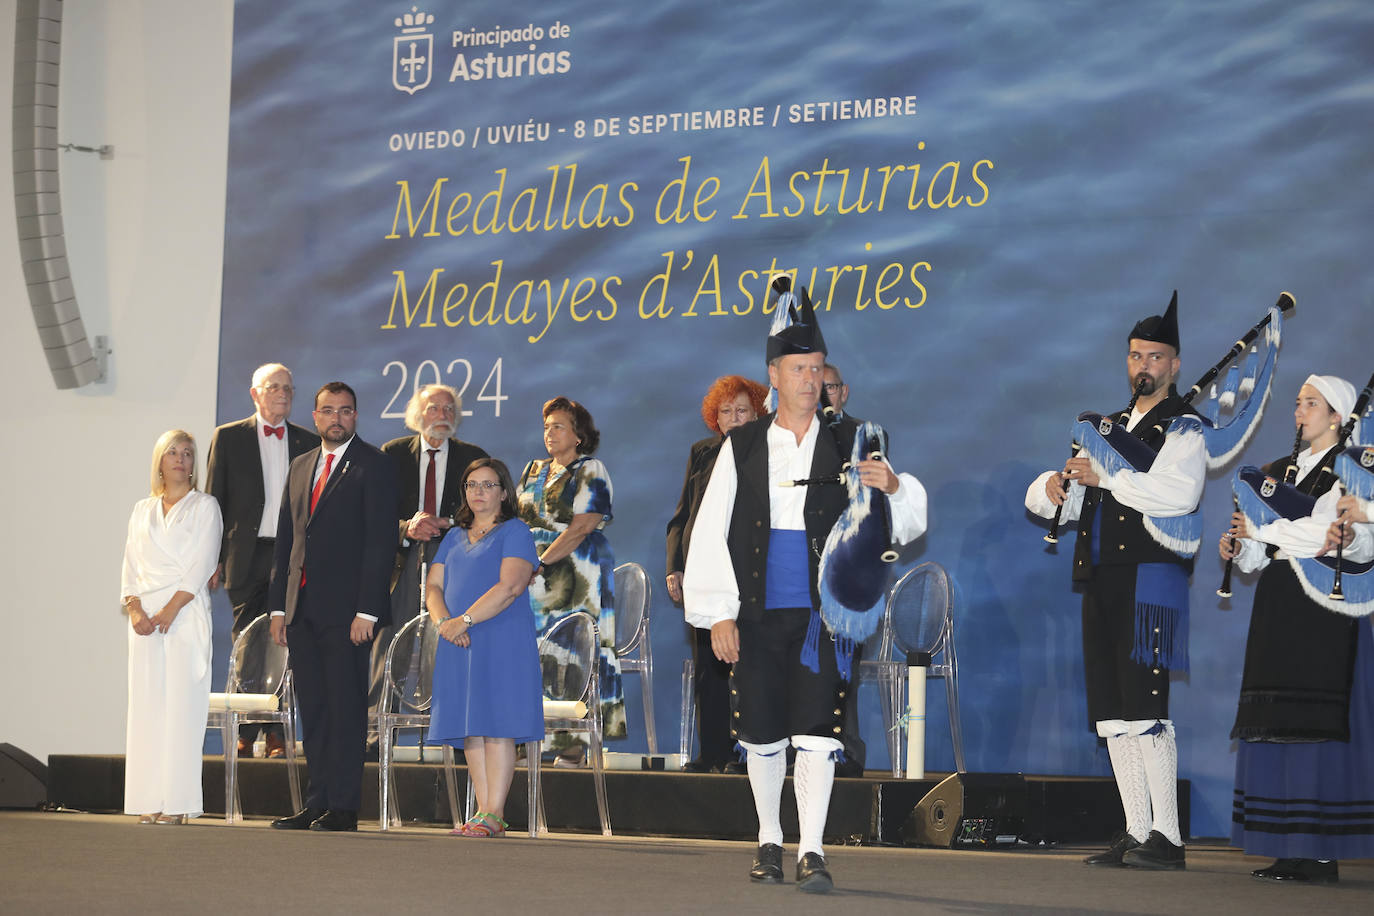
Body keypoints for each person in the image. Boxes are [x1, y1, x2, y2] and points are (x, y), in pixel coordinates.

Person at [684, 279, 928, 893]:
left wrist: (895, 489)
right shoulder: (739, 446)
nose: (809, 379)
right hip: (757, 610)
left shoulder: (853, 440)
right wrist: (718, 614)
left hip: (825, 618)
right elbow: (708, 532)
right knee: (762, 733)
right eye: (798, 368)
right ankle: (770, 840)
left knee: (817, 732)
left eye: (817, 369)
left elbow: (905, 514)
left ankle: (811, 850)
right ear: (773, 373)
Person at [1025, 295, 1204, 870]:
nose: (1142, 366)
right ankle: (1135, 828)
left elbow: (1180, 495)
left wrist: (1108, 478)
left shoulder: (1186, 427)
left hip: (1152, 576)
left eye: (1154, 356)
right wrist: (1057, 487)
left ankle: (1168, 839)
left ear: (1174, 365)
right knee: (1115, 712)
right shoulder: (1105, 427)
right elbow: (1081, 502)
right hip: (1100, 577)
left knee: (1147, 704)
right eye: (1134, 355)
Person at [1220, 375, 1373, 883]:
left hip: (1324, 606)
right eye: (1298, 403)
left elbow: (1328, 534)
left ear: (1337, 416)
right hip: (1280, 599)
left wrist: (1268, 525)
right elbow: (1262, 557)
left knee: (1316, 726)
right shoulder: (1279, 473)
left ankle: (1320, 851)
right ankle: (1286, 845)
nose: (1299, 411)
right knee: (1276, 719)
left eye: (1311, 404)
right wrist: (1242, 546)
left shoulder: (1350, 473)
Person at [268, 382, 398, 832]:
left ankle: (343, 807)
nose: (336, 418)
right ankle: (316, 801)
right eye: (328, 411)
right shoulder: (302, 465)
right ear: (316, 416)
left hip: (349, 616)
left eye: (346, 411)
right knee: (317, 712)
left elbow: (381, 545)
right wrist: (278, 609)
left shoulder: (374, 465)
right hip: (302, 611)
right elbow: (287, 542)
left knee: (345, 711)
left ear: (356, 417)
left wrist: (367, 610)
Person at [425, 458, 543, 837]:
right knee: (470, 726)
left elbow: (510, 587)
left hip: (500, 638)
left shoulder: (516, 531)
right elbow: (433, 588)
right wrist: (445, 623)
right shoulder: (453, 536)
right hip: (457, 640)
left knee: (498, 725)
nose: (479, 492)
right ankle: (481, 810)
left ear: (504, 492)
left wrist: (465, 620)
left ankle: (495, 812)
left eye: (488, 485)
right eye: (472, 485)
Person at [206, 362, 317, 758]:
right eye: (273, 387)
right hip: (244, 555)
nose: (282, 394)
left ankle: (275, 731)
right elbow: (214, 501)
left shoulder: (308, 442)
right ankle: (250, 727)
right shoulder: (229, 437)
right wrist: (211, 558)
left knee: (284, 641)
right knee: (246, 643)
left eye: (288, 387)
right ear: (255, 394)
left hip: (291, 557)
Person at [373, 385, 487, 749]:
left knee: (446, 647)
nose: (443, 415)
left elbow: (487, 514)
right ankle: (375, 732)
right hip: (402, 561)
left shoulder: (473, 458)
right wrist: (407, 525)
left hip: (454, 564)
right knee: (389, 646)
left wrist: (449, 524)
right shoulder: (391, 455)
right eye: (434, 408)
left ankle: (445, 734)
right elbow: (371, 514)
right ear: (417, 415)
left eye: (449, 409)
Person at [665, 375, 768, 774]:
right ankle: (713, 752)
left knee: (749, 666)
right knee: (709, 667)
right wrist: (676, 565)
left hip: (747, 573)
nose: (734, 418)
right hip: (702, 575)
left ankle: (750, 753)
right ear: (715, 418)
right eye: (726, 411)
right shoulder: (702, 452)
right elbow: (682, 517)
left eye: (742, 409)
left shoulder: (766, 452)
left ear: (758, 411)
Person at [121, 429, 223, 824]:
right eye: (173, 453)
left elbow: (202, 564)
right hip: (144, 622)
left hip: (184, 616)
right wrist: (135, 611)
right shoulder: (141, 510)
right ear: (160, 461)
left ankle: (179, 803)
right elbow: (130, 565)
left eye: (187, 453)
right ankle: (149, 798)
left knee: (183, 708)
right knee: (147, 708)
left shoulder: (205, 506)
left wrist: (168, 611)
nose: (180, 459)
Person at [517, 396, 624, 746]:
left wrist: (542, 562)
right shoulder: (533, 470)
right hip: (529, 582)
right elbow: (516, 522)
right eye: (546, 426)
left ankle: (574, 744)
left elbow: (582, 526)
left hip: (576, 576)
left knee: (571, 655)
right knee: (531, 657)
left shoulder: (591, 469)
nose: (550, 432)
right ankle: (530, 740)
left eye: (558, 426)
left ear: (578, 434)